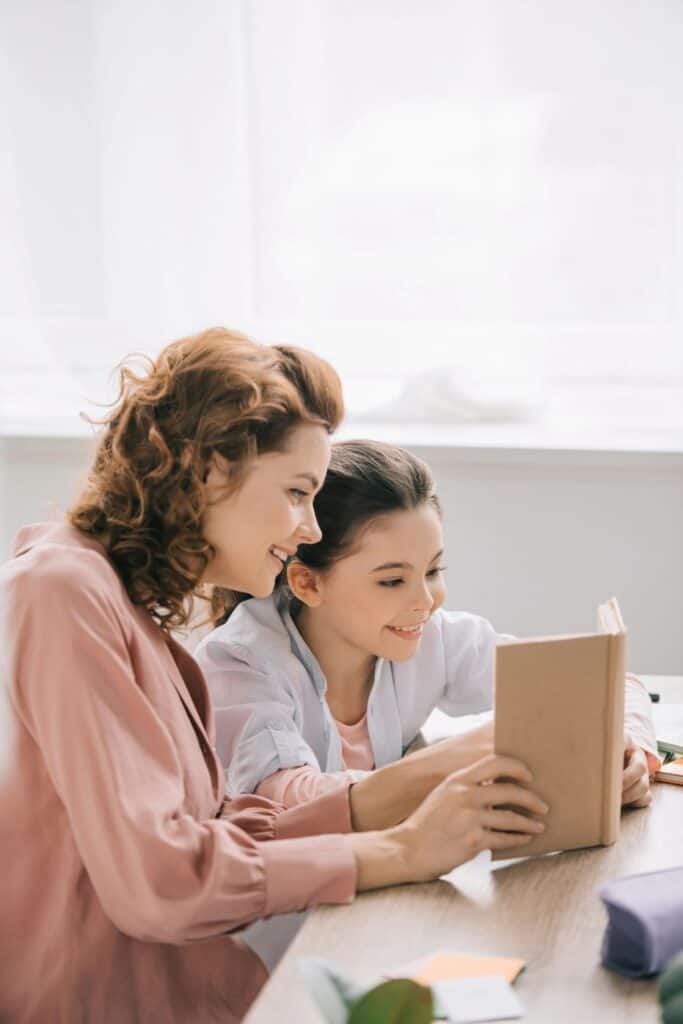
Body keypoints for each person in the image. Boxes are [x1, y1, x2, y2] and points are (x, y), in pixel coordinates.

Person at [0, 329, 548, 1024]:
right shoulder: (61, 591)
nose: (311, 528)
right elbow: (159, 883)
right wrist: (397, 848)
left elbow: (221, 832)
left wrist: (411, 819)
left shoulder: (133, 617)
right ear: (208, 469)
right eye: (297, 493)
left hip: (201, 986)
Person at [198, 439, 658, 815]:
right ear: (307, 582)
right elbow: (282, 800)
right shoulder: (240, 662)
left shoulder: (431, 635)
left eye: (434, 571)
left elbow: (605, 681)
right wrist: (452, 768)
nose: (425, 601)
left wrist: (629, 749)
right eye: (393, 580)